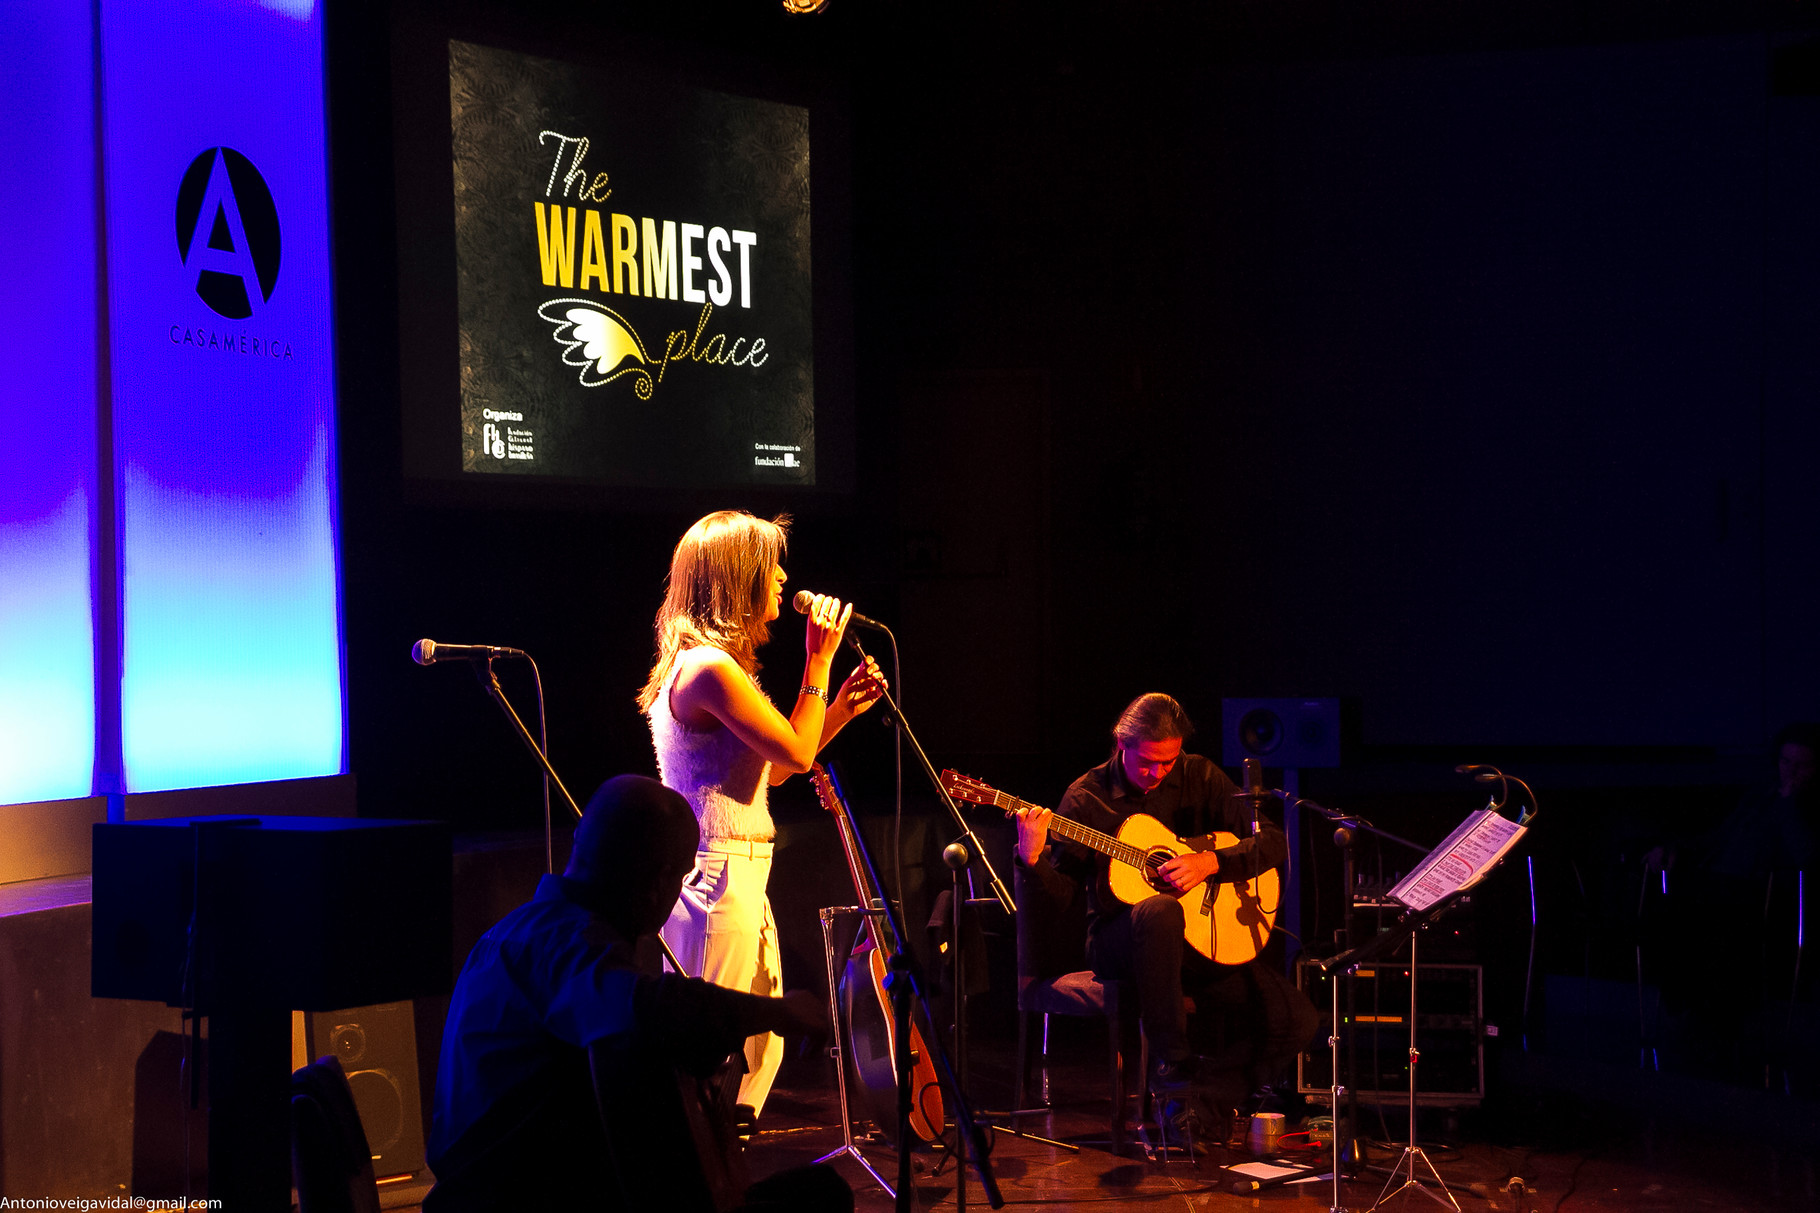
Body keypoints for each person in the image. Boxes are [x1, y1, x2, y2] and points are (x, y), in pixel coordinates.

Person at [425, 774, 849, 1212]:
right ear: (659, 882)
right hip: (516, 1200)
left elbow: (570, 1101)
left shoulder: (519, 933)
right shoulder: (569, 944)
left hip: (533, 1184)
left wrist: (698, 1128)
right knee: (821, 1200)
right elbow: (650, 1007)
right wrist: (779, 1013)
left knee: (808, 1191)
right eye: (681, 878)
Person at [637, 510, 885, 1118]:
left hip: (741, 873)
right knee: (710, 1046)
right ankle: (696, 1171)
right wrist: (820, 663)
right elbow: (795, 755)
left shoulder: (717, 666)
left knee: (759, 1044)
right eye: (769, 565)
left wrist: (841, 712)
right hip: (717, 875)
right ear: (737, 579)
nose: (782, 577)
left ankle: (724, 1160)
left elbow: (771, 769)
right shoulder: (709, 668)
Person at [1012, 693, 1317, 1125]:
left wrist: (1210, 861)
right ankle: (1172, 1069)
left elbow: (1272, 842)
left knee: (1296, 1019)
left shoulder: (1199, 775)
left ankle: (1200, 1104)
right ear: (1122, 744)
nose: (1157, 774)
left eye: (1168, 763)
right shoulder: (1085, 799)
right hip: (1122, 944)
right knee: (1159, 911)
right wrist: (1031, 859)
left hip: (1197, 944)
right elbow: (1059, 898)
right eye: (1147, 763)